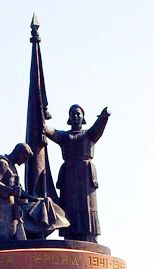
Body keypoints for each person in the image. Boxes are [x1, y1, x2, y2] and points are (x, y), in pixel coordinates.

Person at [43, 104, 110, 242]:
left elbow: (98, 127)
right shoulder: (64, 136)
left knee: (87, 205)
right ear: (69, 117)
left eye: (78, 113)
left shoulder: (89, 135)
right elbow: (47, 130)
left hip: (86, 175)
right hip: (69, 176)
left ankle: (90, 236)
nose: (75, 116)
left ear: (83, 117)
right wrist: (39, 115)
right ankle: (70, 234)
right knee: (69, 205)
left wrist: (104, 116)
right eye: (73, 114)